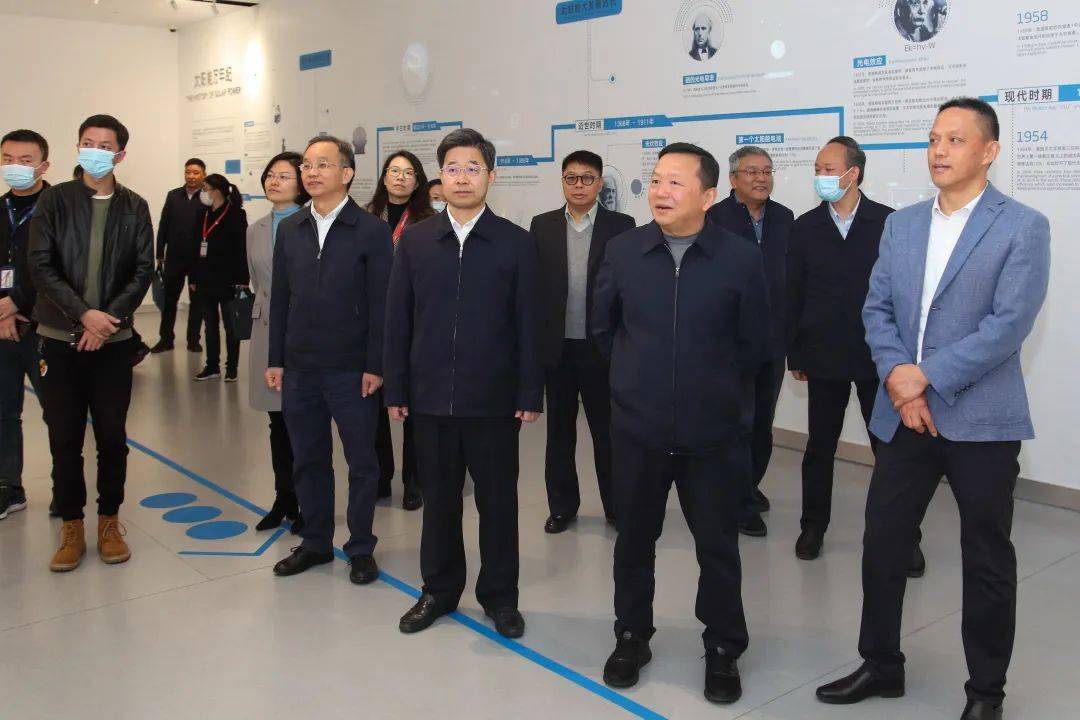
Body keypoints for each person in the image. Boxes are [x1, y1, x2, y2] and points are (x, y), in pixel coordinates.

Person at [816, 98, 1050, 720]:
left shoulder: (1022, 226)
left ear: (989, 151)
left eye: (955, 139)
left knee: (987, 557)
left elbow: (1007, 325)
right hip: (904, 417)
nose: (939, 150)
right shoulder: (904, 224)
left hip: (981, 420)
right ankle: (881, 664)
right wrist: (900, 378)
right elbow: (877, 309)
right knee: (883, 543)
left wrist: (924, 377)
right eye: (933, 138)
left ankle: (986, 691)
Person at [593, 143, 768, 704]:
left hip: (712, 434)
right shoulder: (624, 251)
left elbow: (754, 344)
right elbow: (604, 329)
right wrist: (635, 382)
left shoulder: (740, 258)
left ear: (708, 196)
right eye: (657, 180)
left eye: (675, 182)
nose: (660, 192)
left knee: (717, 546)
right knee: (633, 541)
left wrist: (715, 393)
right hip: (638, 430)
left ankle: (723, 647)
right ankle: (631, 636)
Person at [384, 128, 542, 639]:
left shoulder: (516, 243)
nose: (462, 178)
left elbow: (529, 323)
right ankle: (439, 590)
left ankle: (500, 597)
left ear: (491, 176)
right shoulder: (415, 242)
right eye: (452, 168)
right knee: (439, 504)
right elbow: (398, 320)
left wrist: (529, 391)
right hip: (429, 399)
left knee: (498, 504)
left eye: (473, 168)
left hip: (494, 402)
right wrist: (397, 388)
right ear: (440, 177)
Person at [787, 137, 928, 575]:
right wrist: (796, 353)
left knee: (889, 450)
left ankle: (904, 536)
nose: (821, 177)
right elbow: (793, 293)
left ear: (854, 173)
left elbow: (904, 295)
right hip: (823, 353)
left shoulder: (888, 223)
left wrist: (903, 357)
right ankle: (813, 527)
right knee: (819, 448)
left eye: (829, 169)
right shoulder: (805, 227)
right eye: (818, 169)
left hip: (878, 357)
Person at [29, 114, 153, 571]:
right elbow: (41, 265)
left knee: (112, 437)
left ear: (120, 155)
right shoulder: (55, 200)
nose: (94, 151)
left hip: (113, 342)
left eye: (104, 146)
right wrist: (84, 316)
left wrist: (106, 322)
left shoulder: (134, 206)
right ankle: (71, 527)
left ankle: (108, 522)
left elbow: (143, 269)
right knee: (64, 438)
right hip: (59, 338)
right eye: (87, 142)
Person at [267, 135, 392, 585]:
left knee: (362, 462)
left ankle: (360, 547)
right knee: (308, 459)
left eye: (323, 164)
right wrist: (276, 358)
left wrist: (376, 365)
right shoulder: (291, 228)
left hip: (352, 370)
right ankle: (316, 542)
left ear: (347, 173)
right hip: (300, 369)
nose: (311, 172)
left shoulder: (371, 230)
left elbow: (382, 304)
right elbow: (281, 298)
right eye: (306, 165)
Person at [530, 150, 634, 534]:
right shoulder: (542, 225)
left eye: (587, 178)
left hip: (600, 349)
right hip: (556, 349)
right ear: (562, 181)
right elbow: (533, 287)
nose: (578, 185)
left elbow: (628, 290)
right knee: (559, 435)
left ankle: (617, 508)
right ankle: (562, 508)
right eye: (571, 178)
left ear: (599, 183)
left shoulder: (622, 226)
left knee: (608, 434)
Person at [706, 146, 793, 538]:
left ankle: (748, 485)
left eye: (767, 171)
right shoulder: (715, 219)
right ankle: (738, 500)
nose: (761, 178)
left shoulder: (785, 218)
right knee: (736, 423)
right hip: (729, 344)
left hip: (771, 343)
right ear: (733, 178)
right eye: (752, 171)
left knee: (762, 424)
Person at [365, 150, 435, 511]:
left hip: (414, 322)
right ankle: (380, 478)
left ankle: (414, 482)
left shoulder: (429, 221)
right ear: (384, 177)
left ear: (417, 180)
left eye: (409, 172)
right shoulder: (365, 218)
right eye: (394, 171)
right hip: (372, 323)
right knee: (373, 407)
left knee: (414, 409)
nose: (400, 177)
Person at [247, 152, 308, 533]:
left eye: (284, 176)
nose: (274, 181)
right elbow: (259, 282)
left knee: (302, 423)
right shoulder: (255, 229)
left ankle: (307, 502)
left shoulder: (311, 224)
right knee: (276, 422)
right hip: (267, 330)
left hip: (302, 331)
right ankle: (283, 499)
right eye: (270, 175)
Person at [0, 129, 51, 520]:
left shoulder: (58, 208)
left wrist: (16, 302)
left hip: (44, 326)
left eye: (25, 160)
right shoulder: (1, 208)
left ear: (43, 165)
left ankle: (66, 487)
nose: (15, 166)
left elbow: (57, 266)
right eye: (7, 159)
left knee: (58, 410)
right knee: (4, 411)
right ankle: (8, 487)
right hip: (2, 327)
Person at [191, 174, 248, 382]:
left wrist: (243, 280)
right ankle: (212, 366)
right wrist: (193, 278)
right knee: (210, 325)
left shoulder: (236, 214)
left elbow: (242, 249)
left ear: (216, 191)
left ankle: (231, 368)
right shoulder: (203, 213)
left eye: (205, 188)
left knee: (231, 326)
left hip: (228, 280)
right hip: (205, 279)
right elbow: (195, 247)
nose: (202, 193)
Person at [150, 158, 206, 354]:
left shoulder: (207, 198)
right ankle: (166, 339)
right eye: (188, 172)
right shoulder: (173, 196)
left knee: (196, 301)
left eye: (196, 172)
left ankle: (193, 340)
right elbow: (164, 224)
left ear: (204, 175)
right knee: (169, 300)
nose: (191, 176)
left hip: (198, 260)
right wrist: (160, 253)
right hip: (174, 257)